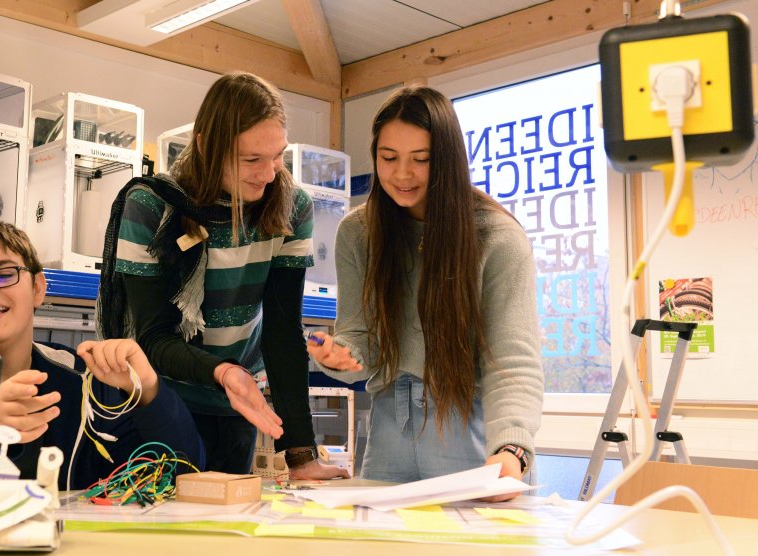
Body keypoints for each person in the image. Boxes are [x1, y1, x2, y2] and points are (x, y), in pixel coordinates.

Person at [97, 71, 347, 479]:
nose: (268, 174)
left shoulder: (290, 206)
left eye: (277, 155)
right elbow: (151, 337)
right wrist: (223, 371)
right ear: (206, 147)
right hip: (158, 401)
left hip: (238, 405)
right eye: (250, 159)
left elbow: (282, 330)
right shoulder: (151, 206)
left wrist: (302, 455)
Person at [307, 86, 543, 499]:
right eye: (389, 158)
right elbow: (360, 342)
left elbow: (513, 361)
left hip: (466, 426)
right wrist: (340, 358)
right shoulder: (358, 232)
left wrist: (512, 449)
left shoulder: (497, 237)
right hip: (386, 429)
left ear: (448, 160)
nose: (402, 174)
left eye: (421, 159)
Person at [0, 220, 204, 489]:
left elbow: (182, 473)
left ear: (38, 288)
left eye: (3, 275)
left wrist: (148, 391)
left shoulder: (81, 381)